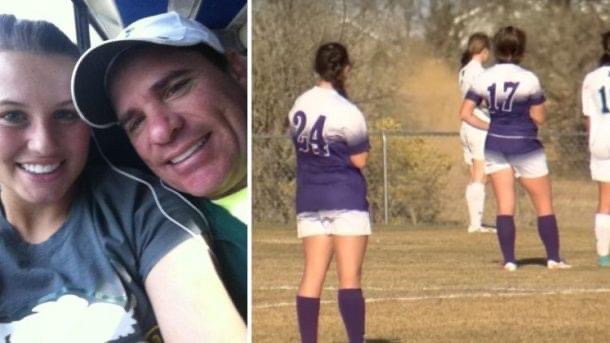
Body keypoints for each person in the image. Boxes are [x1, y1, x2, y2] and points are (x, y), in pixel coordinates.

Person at [0, 15, 246, 342]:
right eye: (12, 116)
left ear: (238, 71)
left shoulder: (148, 210)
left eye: (176, 87)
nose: (43, 144)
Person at [71, 12, 247, 320]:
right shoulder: (169, 240)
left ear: (237, 70)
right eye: (136, 121)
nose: (161, 131)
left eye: (175, 88)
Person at [459, 26, 571, 271]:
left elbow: (465, 113)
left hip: (496, 143)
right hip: (525, 144)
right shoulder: (529, 78)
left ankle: (509, 260)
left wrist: (490, 126)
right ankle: (553, 257)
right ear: (521, 50)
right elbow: (540, 117)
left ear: (495, 48)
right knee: (543, 205)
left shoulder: (483, 77)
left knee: (504, 205)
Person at [288, 42, 370, 343]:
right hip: (344, 197)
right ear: (345, 69)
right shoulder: (348, 111)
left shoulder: (299, 104)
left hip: (309, 197)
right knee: (349, 278)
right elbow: (360, 159)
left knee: (312, 276)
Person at [458, 32, 496, 234]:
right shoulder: (481, 73)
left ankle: (475, 221)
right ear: (485, 51)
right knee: (481, 175)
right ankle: (476, 224)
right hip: (478, 123)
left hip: (467, 126)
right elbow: (483, 99)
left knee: (475, 174)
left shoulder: (463, 70)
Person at [581, 31, 610, 267]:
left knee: (605, 199)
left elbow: (588, 117)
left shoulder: (591, 78)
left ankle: (603, 255)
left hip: (601, 140)